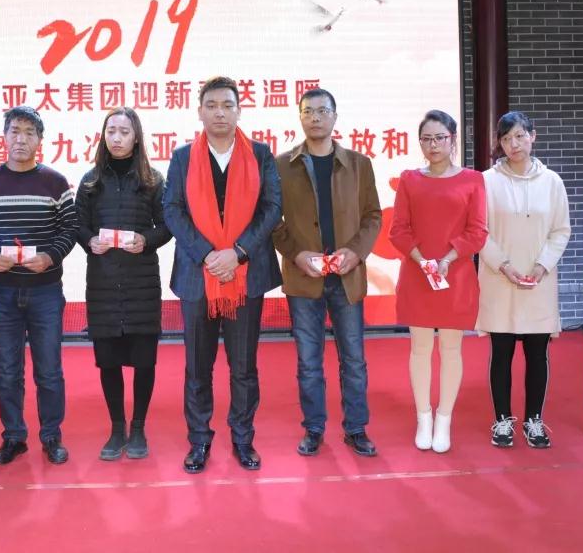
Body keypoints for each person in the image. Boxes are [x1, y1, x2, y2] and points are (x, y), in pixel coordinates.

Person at [163, 76, 282, 473]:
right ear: (199, 112)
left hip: (246, 275)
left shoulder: (260, 155)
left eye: (227, 105)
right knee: (198, 367)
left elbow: (272, 208)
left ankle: (243, 438)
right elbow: (172, 210)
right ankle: (199, 440)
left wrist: (239, 253)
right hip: (198, 277)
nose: (219, 113)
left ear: (239, 111)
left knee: (243, 367)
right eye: (211, 105)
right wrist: (207, 255)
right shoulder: (182, 157)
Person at [273, 88, 382, 458]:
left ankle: (356, 429)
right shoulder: (281, 165)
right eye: (308, 111)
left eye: (322, 111)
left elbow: (373, 216)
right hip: (304, 278)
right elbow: (272, 221)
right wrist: (296, 253)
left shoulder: (359, 164)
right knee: (308, 362)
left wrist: (356, 252)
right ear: (300, 117)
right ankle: (314, 428)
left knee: (354, 360)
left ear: (335, 116)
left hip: (347, 279)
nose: (315, 117)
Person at [0, 106, 79, 466]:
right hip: (2, 292)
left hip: (45, 291)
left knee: (49, 370)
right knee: (7, 371)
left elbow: (70, 230)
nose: (21, 139)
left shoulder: (56, 183)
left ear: (40, 140)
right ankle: (14, 437)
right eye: (15, 131)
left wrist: (50, 256)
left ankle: (51, 436)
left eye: (29, 133)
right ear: (4, 137)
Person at [75, 107, 172, 461]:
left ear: (136, 137)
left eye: (124, 132)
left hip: (140, 282)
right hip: (103, 282)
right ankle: (117, 428)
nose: (116, 138)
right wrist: (89, 241)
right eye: (111, 131)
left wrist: (146, 240)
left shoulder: (152, 180)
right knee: (109, 361)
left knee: (144, 361)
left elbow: (167, 225)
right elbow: (77, 225)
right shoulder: (90, 181)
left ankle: (138, 427)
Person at [389, 109, 486, 454]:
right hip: (418, 274)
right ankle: (424, 417)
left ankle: (444, 418)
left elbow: (478, 231)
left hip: (455, 275)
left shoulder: (473, 180)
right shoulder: (410, 179)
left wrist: (446, 259)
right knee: (419, 348)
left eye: (440, 137)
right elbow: (398, 229)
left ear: (453, 139)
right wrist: (422, 261)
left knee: (451, 348)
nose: (433, 145)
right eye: (426, 138)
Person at [475, 112, 571, 449]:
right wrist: (502, 265)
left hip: (538, 281)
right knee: (501, 353)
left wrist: (543, 265)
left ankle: (534, 420)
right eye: (505, 139)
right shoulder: (486, 181)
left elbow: (561, 230)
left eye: (519, 136)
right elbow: (478, 230)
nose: (513, 144)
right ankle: (502, 420)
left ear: (533, 136)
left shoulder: (552, 182)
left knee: (537, 353)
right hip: (499, 279)